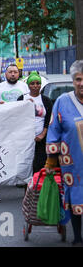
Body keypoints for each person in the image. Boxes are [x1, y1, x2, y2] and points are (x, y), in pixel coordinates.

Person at [44, 60, 83, 246]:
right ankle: (77, 236)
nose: (82, 83)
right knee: (75, 196)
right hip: (73, 163)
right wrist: (51, 161)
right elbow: (54, 130)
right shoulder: (62, 102)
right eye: (78, 79)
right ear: (73, 81)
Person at [17, 72, 53, 174]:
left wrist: (42, 134)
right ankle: (27, 189)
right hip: (25, 139)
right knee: (26, 166)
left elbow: (48, 119)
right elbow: (16, 117)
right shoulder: (21, 98)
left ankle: (39, 188)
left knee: (40, 165)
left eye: (38, 83)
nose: (35, 86)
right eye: (32, 83)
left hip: (41, 140)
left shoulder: (46, 101)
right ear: (28, 85)